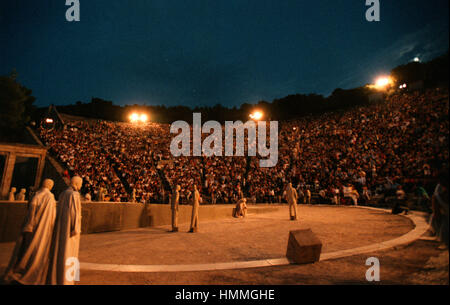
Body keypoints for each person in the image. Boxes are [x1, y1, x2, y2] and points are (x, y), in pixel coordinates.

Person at [2, 179, 56, 285]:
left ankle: (22, 268)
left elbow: (31, 211)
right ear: (49, 185)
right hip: (42, 228)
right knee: (36, 250)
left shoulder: (37, 195)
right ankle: (29, 270)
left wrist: (30, 224)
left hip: (33, 226)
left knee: (27, 248)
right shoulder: (49, 197)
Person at [47, 176, 83, 285]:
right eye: (81, 183)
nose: (81, 185)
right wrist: (76, 228)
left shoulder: (63, 194)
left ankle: (57, 277)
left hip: (61, 228)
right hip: (70, 230)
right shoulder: (74, 195)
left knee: (60, 252)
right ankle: (68, 280)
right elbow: (74, 213)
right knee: (71, 253)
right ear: (77, 183)